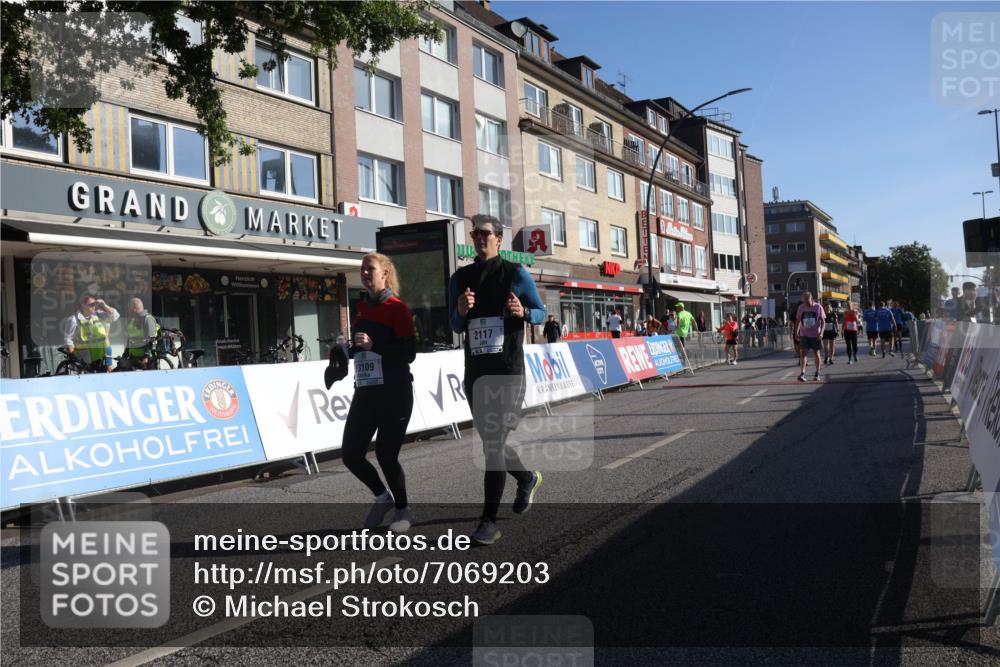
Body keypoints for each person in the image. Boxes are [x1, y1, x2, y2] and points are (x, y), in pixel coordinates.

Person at [448, 214, 546, 546]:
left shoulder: (516, 273)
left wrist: (525, 313)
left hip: (507, 372)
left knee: (492, 447)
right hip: (476, 374)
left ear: (499, 240)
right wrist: (460, 311)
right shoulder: (461, 278)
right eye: (475, 233)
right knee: (495, 444)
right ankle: (527, 477)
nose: (479, 238)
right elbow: (454, 325)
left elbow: (542, 312)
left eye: (485, 234)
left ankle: (488, 522)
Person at [341, 253, 417, 533]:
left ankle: (403, 510)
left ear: (385, 273)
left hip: (394, 393)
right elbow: (362, 350)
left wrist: (374, 345)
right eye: (362, 269)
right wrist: (343, 353)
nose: (364, 273)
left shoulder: (398, 308)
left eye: (370, 269)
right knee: (350, 454)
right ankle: (382, 497)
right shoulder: (361, 308)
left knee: (386, 454)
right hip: (366, 392)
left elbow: (409, 354)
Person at [60, 294, 120, 371]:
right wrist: (72, 358)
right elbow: (68, 340)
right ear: (83, 306)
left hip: (101, 355)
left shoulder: (98, 315)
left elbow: (115, 316)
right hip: (85, 357)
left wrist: (104, 305)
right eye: (91, 305)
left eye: (95, 304)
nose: (94, 306)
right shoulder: (73, 319)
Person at [123, 297, 160, 370]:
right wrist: (124, 356)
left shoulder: (148, 319)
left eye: (129, 309)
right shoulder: (133, 320)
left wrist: (146, 357)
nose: (128, 311)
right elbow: (130, 339)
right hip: (133, 357)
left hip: (146, 360)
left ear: (134, 309)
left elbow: (152, 339)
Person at [796, 291, 825, 382]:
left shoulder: (818, 307)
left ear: (811, 299)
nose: (806, 303)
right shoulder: (801, 307)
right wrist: (796, 332)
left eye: (807, 301)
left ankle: (817, 374)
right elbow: (798, 321)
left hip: (815, 334)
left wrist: (821, 333)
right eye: (804, 301)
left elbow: (823, 321)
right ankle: (802, 373)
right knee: (803, 353)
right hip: (804, 334)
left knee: (816, 354)